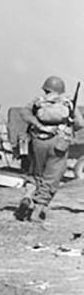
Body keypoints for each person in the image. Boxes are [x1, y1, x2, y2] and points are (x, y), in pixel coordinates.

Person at [15, 76, 84, 222]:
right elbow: (79, 124)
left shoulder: (38, 101)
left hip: (37, 142)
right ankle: (38, 209)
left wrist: (39, 125)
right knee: (52, 177)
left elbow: (24, 114)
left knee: (35, 173)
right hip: (59, 144)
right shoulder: (68, 103)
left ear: (46, 88)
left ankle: (27, 197)